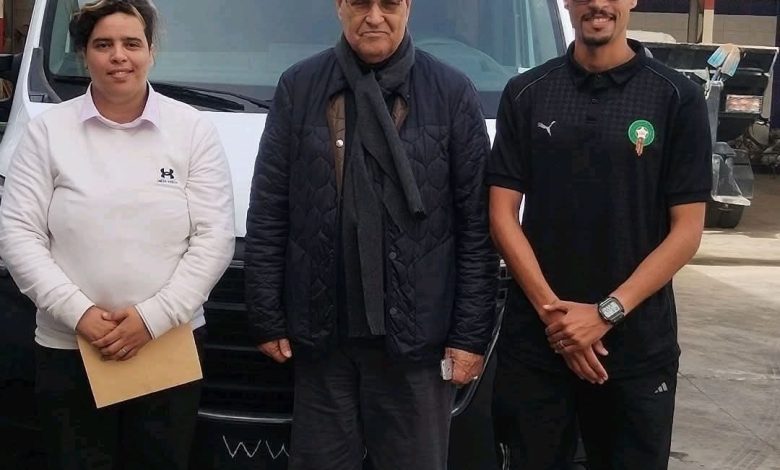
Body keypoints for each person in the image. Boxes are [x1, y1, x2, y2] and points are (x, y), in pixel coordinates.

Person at [244, 0, 497, 468]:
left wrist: (469, 336)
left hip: (418, 343)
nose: (374, 16)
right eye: (361, 2)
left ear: (408, 7)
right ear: (340, 7)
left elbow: (476, 228)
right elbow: (270, 209)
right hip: (324, 337)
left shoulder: (451, 92)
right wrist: (266, 315)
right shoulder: (300, 87)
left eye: (389, 4)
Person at [0, 0, 235, 468]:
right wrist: (80, 314)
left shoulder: (192, 130)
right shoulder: (48, 132)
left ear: (151, 51)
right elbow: (18, 235)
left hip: (166, 342)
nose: (119, 56)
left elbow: (214, 237)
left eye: (132, 43)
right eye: (103, 45)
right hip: (70, 345)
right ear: (84, 54)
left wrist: (152, 318)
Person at [487, 0, 711, 468]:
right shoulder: (526, 93)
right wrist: (556, 319)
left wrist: (605, 313)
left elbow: (687, 231)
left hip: (636, 351)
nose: (597, 4)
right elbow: (502, 215)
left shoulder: (676, 97)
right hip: (538, 348)